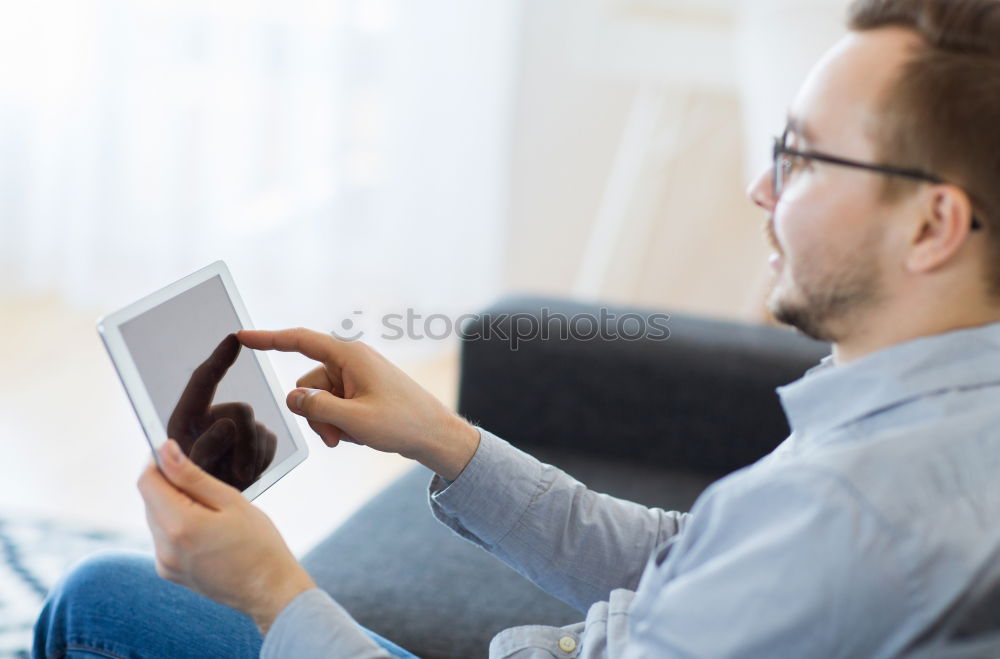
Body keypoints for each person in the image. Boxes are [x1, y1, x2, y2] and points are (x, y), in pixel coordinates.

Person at [33, 0, 1000, 656]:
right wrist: (445, 442)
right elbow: (693, 561)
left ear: (932, 224)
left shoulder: (861, 511)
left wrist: (272, 591)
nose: (761, 188)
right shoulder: (930, 412)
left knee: (97, 599)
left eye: (803, 158)